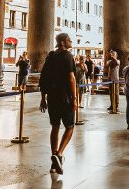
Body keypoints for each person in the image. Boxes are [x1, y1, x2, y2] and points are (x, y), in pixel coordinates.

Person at [39, 33, 78, 174]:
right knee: (70, 126)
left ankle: (54, 162)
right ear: (62, 42)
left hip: (52, 97)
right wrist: (74, 98)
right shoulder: (67, 55)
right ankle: (59, 154)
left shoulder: (51, 56)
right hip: (65, 97)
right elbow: (72, 78)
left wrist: (43, 98)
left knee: (54, 126)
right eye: (69, 40)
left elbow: (43, 77)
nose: (71, 41)